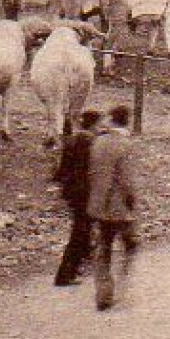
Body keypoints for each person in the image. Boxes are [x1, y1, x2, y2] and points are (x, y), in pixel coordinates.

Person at [86, 105, 139, 311]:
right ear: (126, 121)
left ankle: (103, 292)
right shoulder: (125, 144)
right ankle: (122, 288)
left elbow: (93, 173)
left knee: (104, 247)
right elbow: (126, 179)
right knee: (130, 245)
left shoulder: (98, 142)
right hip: (120, 206)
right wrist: (131, 199)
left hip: (99, 204)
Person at [53, 110, 103, 286]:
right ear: (93, 124)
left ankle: (79, 265)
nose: (100, 128)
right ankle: (65, 274)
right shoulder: (89, 143)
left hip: (73, 193)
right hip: (84, 194)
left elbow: (60, 171)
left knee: (83, 230)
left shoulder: (72, 140)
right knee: (79, 233)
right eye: (99, 125)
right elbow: (91, 171)